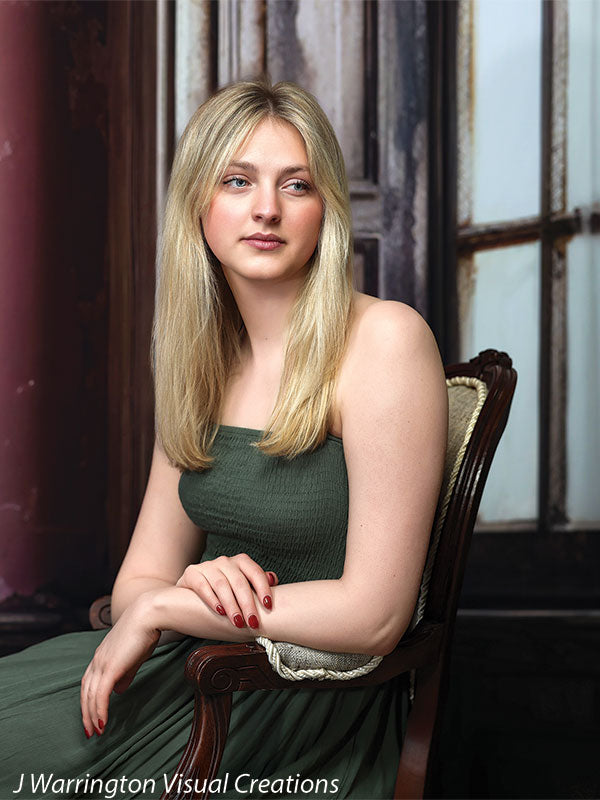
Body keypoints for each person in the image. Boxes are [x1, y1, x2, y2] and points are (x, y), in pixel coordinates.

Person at [0, 78, 448, 799]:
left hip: (293, 700)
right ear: (199, 206)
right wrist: (184, 586)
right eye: (237, 181)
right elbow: (139, 581)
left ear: (326, 205)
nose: (266, 208)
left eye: (295, 184)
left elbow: (377, 615)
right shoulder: (202, 357)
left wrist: (176, 604)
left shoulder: (385, 340)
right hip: (181, 668)